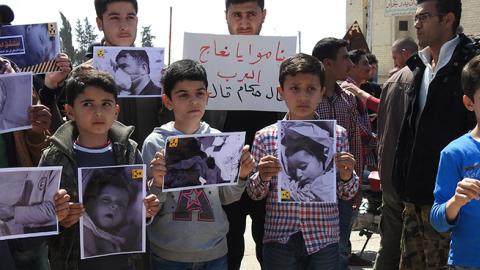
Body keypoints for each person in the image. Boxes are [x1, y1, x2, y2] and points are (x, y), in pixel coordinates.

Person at [247, 53, 358, 269]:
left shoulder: (337, 135)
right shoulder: (266, 137)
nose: (303, 97)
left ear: (322, 92)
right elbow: (254, 193)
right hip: (280, 236)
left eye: (311, 89)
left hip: (324, 237)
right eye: (294, 88)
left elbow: (347, 193)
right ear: (281, 92)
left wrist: (346, 175)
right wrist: (262, 176)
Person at [41, 68, 160, 270]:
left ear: (116, 110)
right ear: (69, 110)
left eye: (106, 104)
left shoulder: (129, 152)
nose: (98, 112)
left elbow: (142, 205)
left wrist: (148, 210)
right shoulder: (54, 157)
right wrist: (58, 220)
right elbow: (38, 220)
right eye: (87, 104)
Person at [142, 59, 255, 269]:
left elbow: (227, 197)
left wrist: (242, 176)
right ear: (168, 101)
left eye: (199, 93)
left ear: (208, 96)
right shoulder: (155, 142)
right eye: (183, 95)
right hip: (168, 254)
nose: (193, 101)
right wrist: (157, 183)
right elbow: (149, 206)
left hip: (214, 251)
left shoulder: (219, 139)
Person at [393, 0, 479, 268]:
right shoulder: (418, 64)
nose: (416, 23)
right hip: (415, 194)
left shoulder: (471, 64)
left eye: (424, 17)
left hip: (459, 199)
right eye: (415, 17)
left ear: (448, 19)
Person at [213, 1, 275, 268]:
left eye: (251, 14)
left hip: (269, 164)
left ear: (264, 16)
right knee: (230, 242)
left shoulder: (280, 59)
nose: (245, 22)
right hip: (225, 164)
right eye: (237, 15)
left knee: (268, 242)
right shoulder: (209, 60)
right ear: (226, 17)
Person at [82, 0, 172, 146]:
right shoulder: (83, 75)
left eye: (130, 17)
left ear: (137, 21)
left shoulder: (161, 75)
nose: (124, 26)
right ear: (99, 23)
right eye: (114, 18)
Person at [312, 37, 364, 269]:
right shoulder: (308, 99)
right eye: (344, 58)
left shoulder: (349, 98)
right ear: (327, 64)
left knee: (340, 247)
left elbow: (354, 141)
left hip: (342, 188)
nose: (350, 65)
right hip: (309, 189)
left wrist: (356, 183)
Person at [430, 55, 480, 269]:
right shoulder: (454, 152)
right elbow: (438, 220)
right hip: (467, 262)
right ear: (469, 103)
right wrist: (456, 201)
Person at [372, 39, 418, 270]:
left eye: (394, 57)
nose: (394, 62)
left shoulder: (392, 81)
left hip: (390, 175)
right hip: (412, 179)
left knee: (389, 244)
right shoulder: (421, 79)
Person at [82, 168, 139, 258]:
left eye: (121, 204)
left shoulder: (120, 238)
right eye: (106, 200)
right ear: (89, 202)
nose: (114, 206)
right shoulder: (85, 225)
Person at [280, 121, 336, 202]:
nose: (298, 174)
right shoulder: (306, 184)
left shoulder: (326, 182)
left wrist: (282, 192)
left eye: (303, 166)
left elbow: (298, 198)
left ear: (321, 156)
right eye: (293, 171)